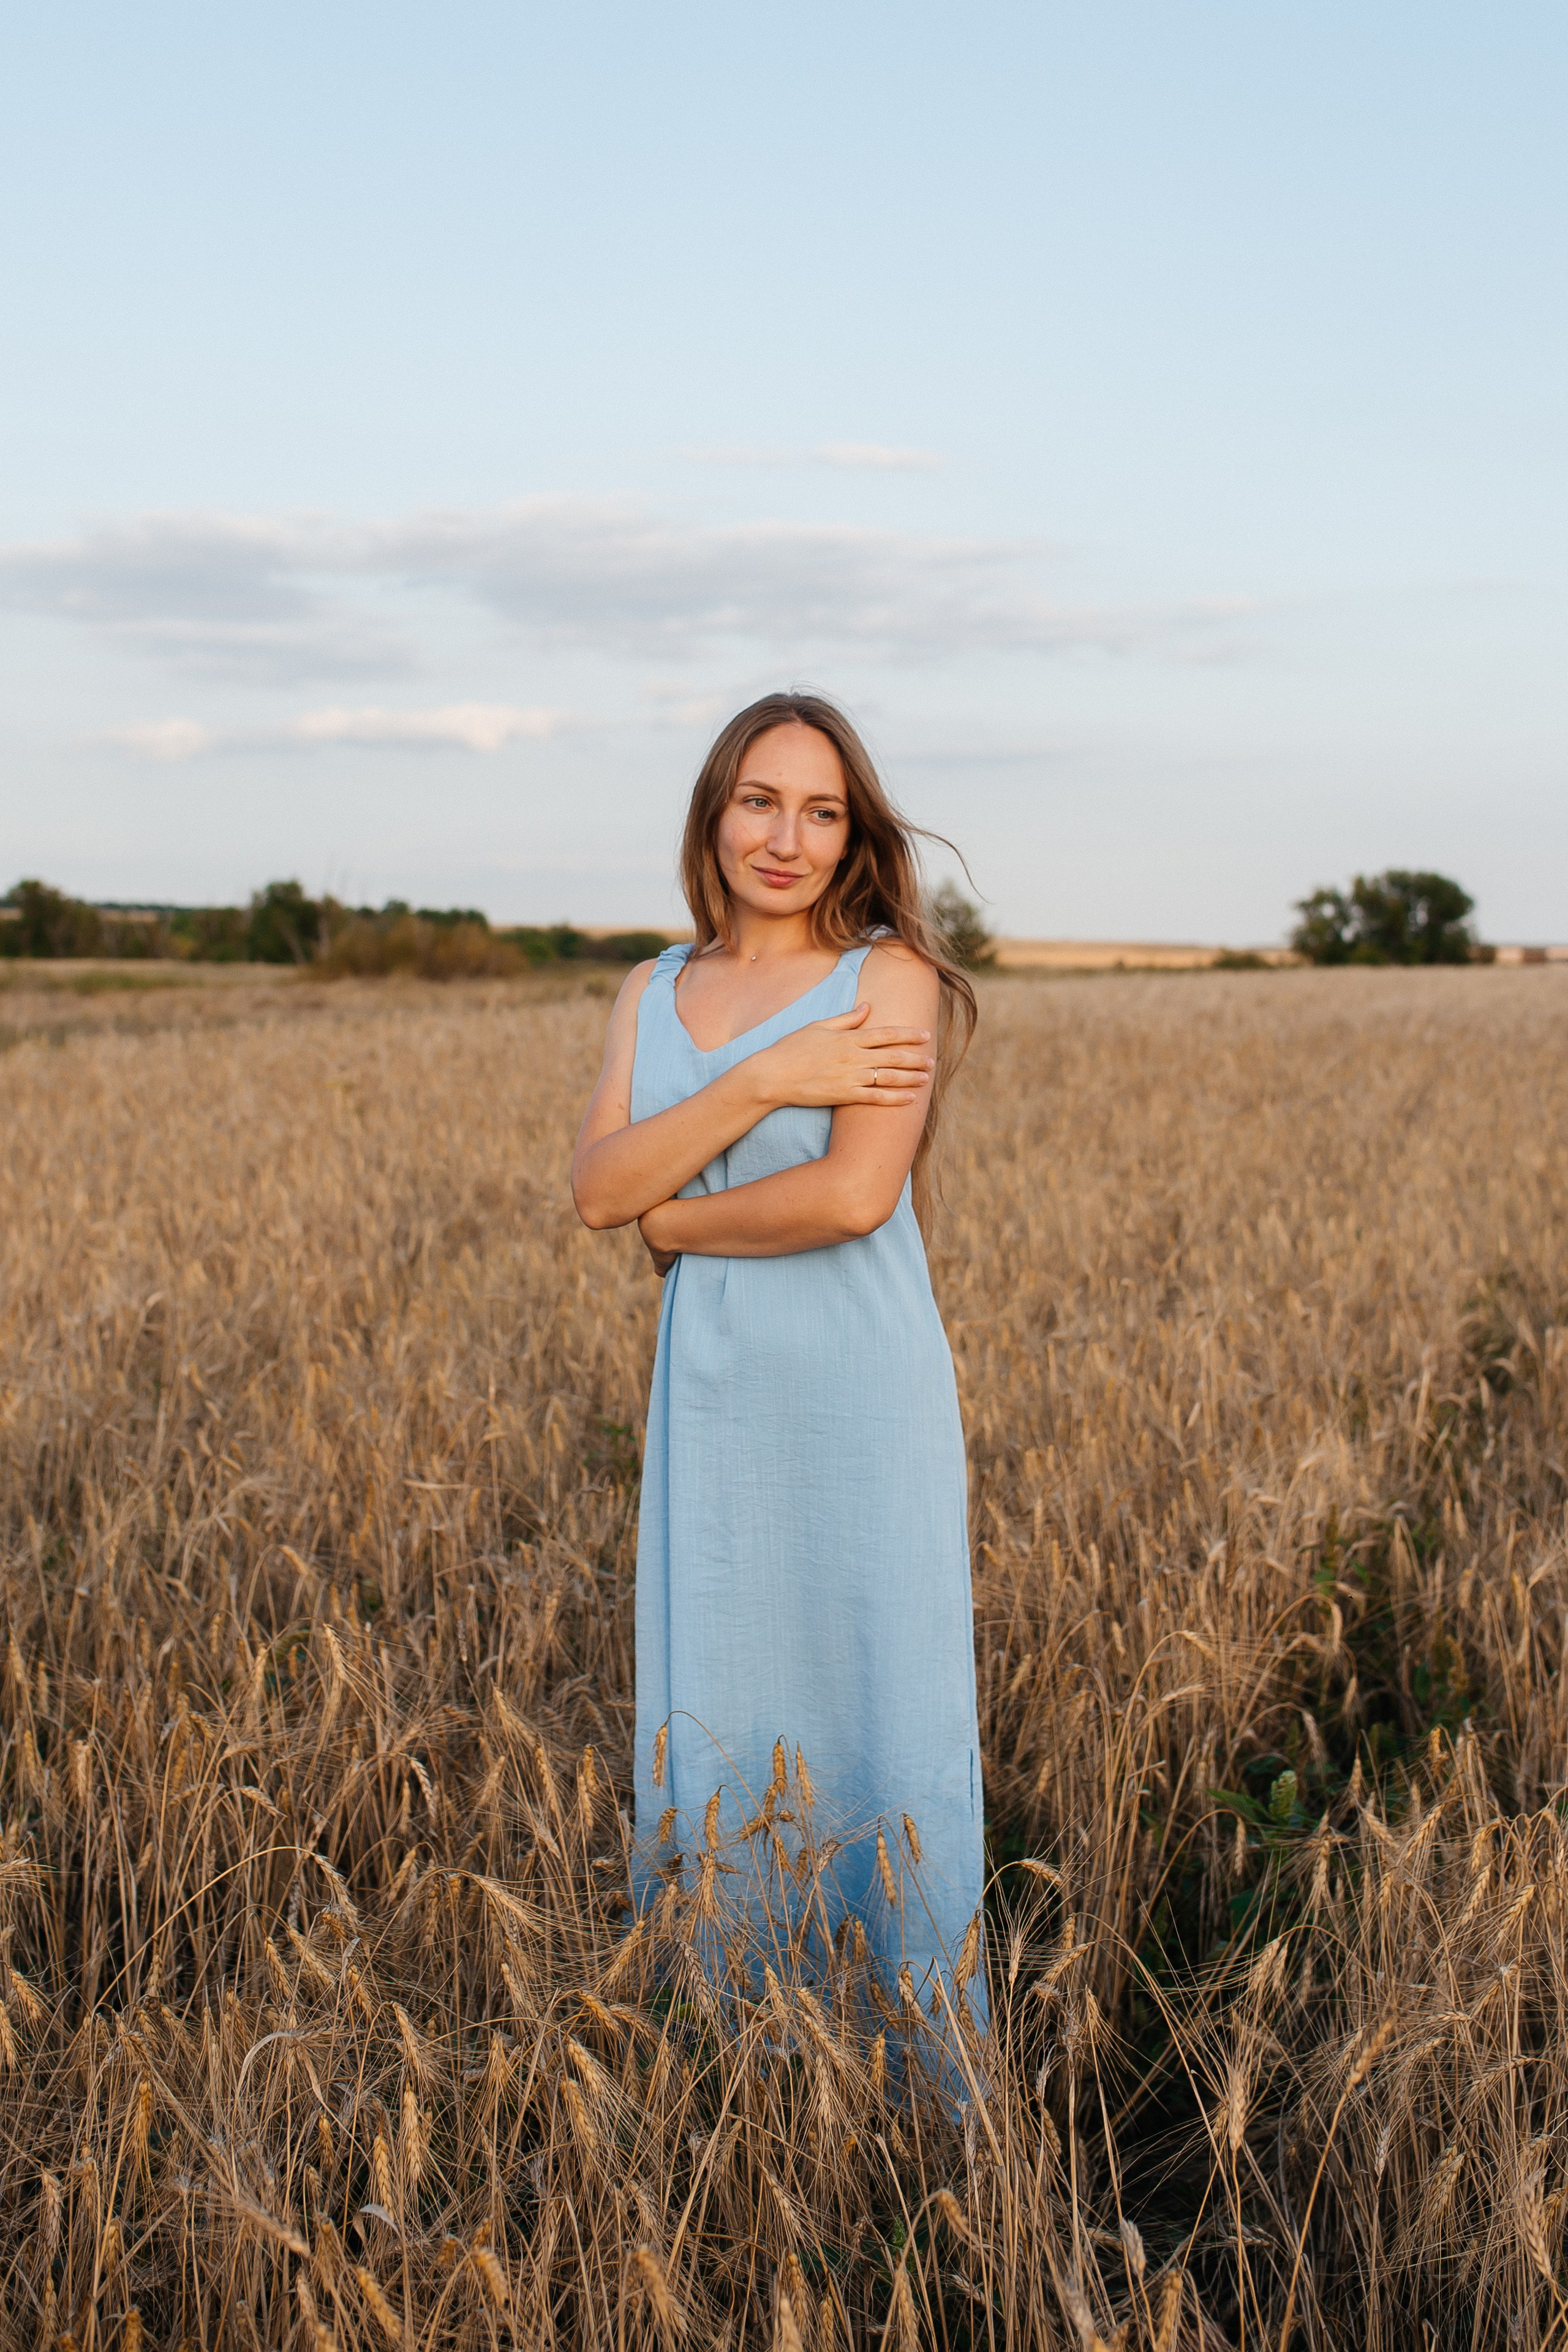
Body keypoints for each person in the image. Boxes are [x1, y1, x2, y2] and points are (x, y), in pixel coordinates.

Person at [571, 692, 985, 2028]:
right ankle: (740, 2042)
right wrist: (761, 1079)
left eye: (820, 812)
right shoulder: (649, 989)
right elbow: (594, 1190)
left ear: (851, 830)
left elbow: (853, 1198)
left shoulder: (890, 979)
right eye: (760, 801)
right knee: (726, 1687)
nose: (786, 839)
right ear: (715, 809)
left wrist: (677, 1221)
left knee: (880, 1694)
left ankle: (913, 2058)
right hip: (713, 1395)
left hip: (859, 1390)